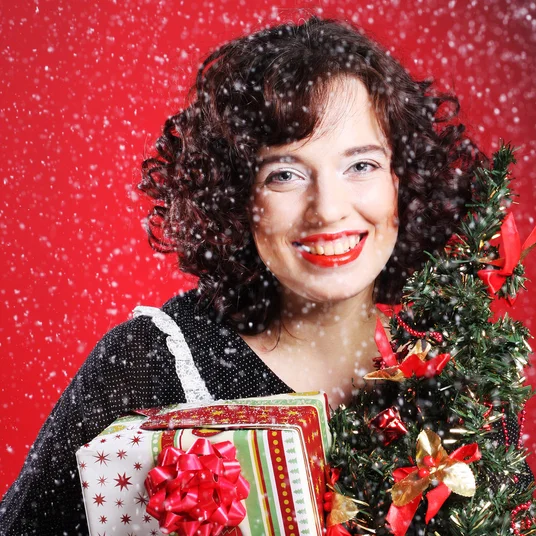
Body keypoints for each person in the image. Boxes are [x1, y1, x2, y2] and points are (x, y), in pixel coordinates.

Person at [0, 15, 482, 535]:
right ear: (236, 198)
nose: (328, 210)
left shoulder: (457, 367)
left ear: (402, 180)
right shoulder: (148, 364)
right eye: (285, 174)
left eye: (360, 166)